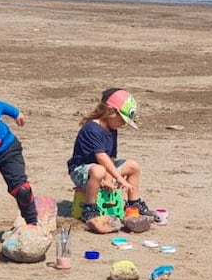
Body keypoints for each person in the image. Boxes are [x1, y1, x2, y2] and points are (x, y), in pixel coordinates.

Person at [66, 88, 153, 222]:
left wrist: (108, 178)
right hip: (81, 170)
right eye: (122, 120)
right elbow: (101, 158)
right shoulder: (91, 129)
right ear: (110, 111)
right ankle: (90, 208)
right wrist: (118, 178)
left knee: (133, 166)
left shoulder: (112, 130)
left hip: (102, 168)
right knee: (98, 170)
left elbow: (110, 158)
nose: (123, 124)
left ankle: (133, 203)